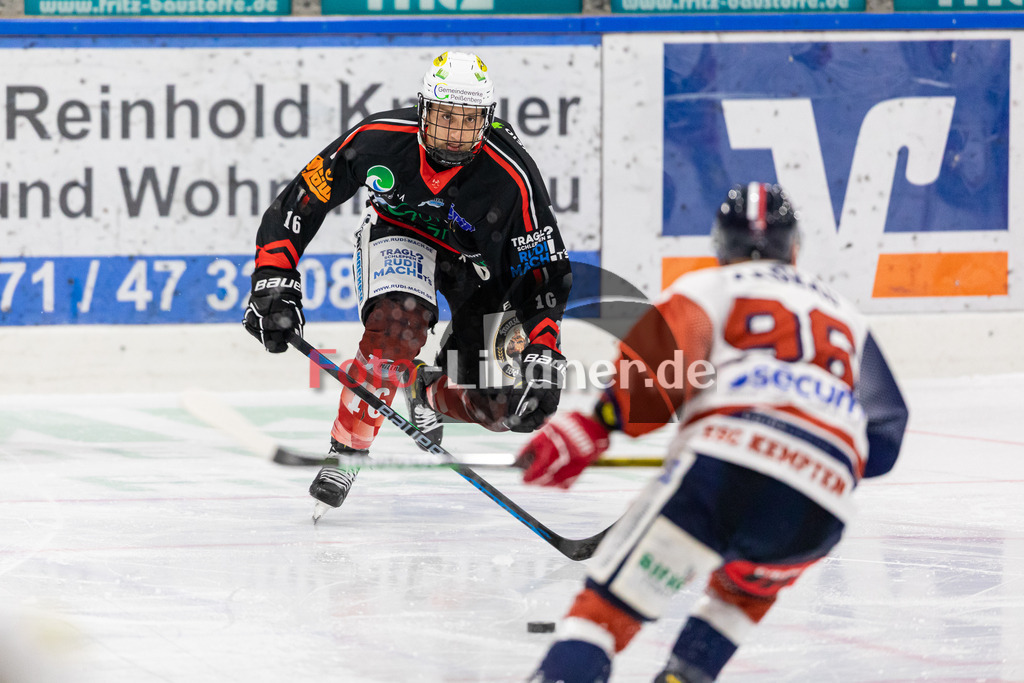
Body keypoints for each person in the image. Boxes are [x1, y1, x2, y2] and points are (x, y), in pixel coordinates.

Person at [517, 183, 908, 683]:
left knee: (604, 615)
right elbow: (887, 434)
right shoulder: (846, 316)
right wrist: (810, 461)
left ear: (720, 245)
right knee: (737, 599)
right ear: (794, 247)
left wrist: (594, 426)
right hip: (821, 507)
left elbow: (655, 380)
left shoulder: (708, 288)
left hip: (722, 478)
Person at [243, 51, 571, 521]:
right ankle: (348, 450)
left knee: (509, 408)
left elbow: (544, 276)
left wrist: (543, 354)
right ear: (422, 109)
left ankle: (426, 389)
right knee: (395, 329)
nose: (454, 134)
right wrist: (274, 279)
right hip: (401, 237)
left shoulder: (513, 177)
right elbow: (298, 203)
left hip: (480, 270)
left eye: (468, 122)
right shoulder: (377, 139)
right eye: (444, 117)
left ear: (488, 122)